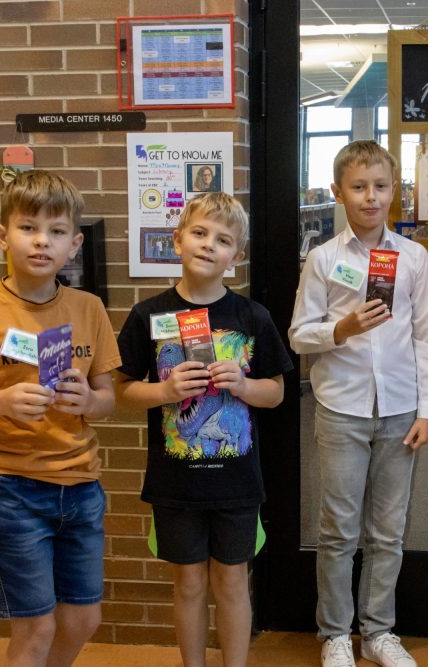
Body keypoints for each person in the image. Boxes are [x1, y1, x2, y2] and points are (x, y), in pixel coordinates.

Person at [0, 170, 122, 667]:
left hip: (81, 488)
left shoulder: (89, 307)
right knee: (35, 627)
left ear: (74, 244)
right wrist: (0, 402)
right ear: (2, 236)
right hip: (13, 490)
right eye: (28, 227)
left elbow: (108, 398)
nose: (42, 241)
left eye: (57, 231)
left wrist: (88, 401)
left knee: (83, 620)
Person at [114, 192, 292, 667]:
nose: (209, 245)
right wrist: (165, 391)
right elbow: (121, 391)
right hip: (177, 484)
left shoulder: (252, 317)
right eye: (199, 233)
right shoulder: (146, 315)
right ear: (177, 240)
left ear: (236, 257)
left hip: (237, 484)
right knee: (188, 583)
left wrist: (244, 384)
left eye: (223, 239)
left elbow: (275, 393)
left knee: (232, 581)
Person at [289, 140, 428, 667]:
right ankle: (335, 633)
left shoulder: (413, 257)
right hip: (341, 410)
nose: (370, 197)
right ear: (338, 192)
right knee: (338, 528)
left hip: (401, 410)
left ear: (394, 191)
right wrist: (342, 327)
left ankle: (379, 631)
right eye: (358, 187)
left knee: (388, 529)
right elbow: (298, 335)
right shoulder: (324, 258)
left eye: (380, 187)